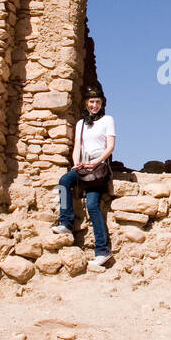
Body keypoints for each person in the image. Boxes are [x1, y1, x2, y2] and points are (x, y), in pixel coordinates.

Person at [52, 86, 115, 267]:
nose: (94, 105)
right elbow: (77, 146)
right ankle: (66, 223)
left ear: (102, 103)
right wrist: (76, 162)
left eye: (98, 102)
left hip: (98, 168)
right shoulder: (80, 124)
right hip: (82, 166)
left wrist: (96, 162)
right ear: (86, 103)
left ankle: (103, 251)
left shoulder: (107, 120)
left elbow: (110, 146)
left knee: (93, 205)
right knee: (64, 181)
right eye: (91, 102)